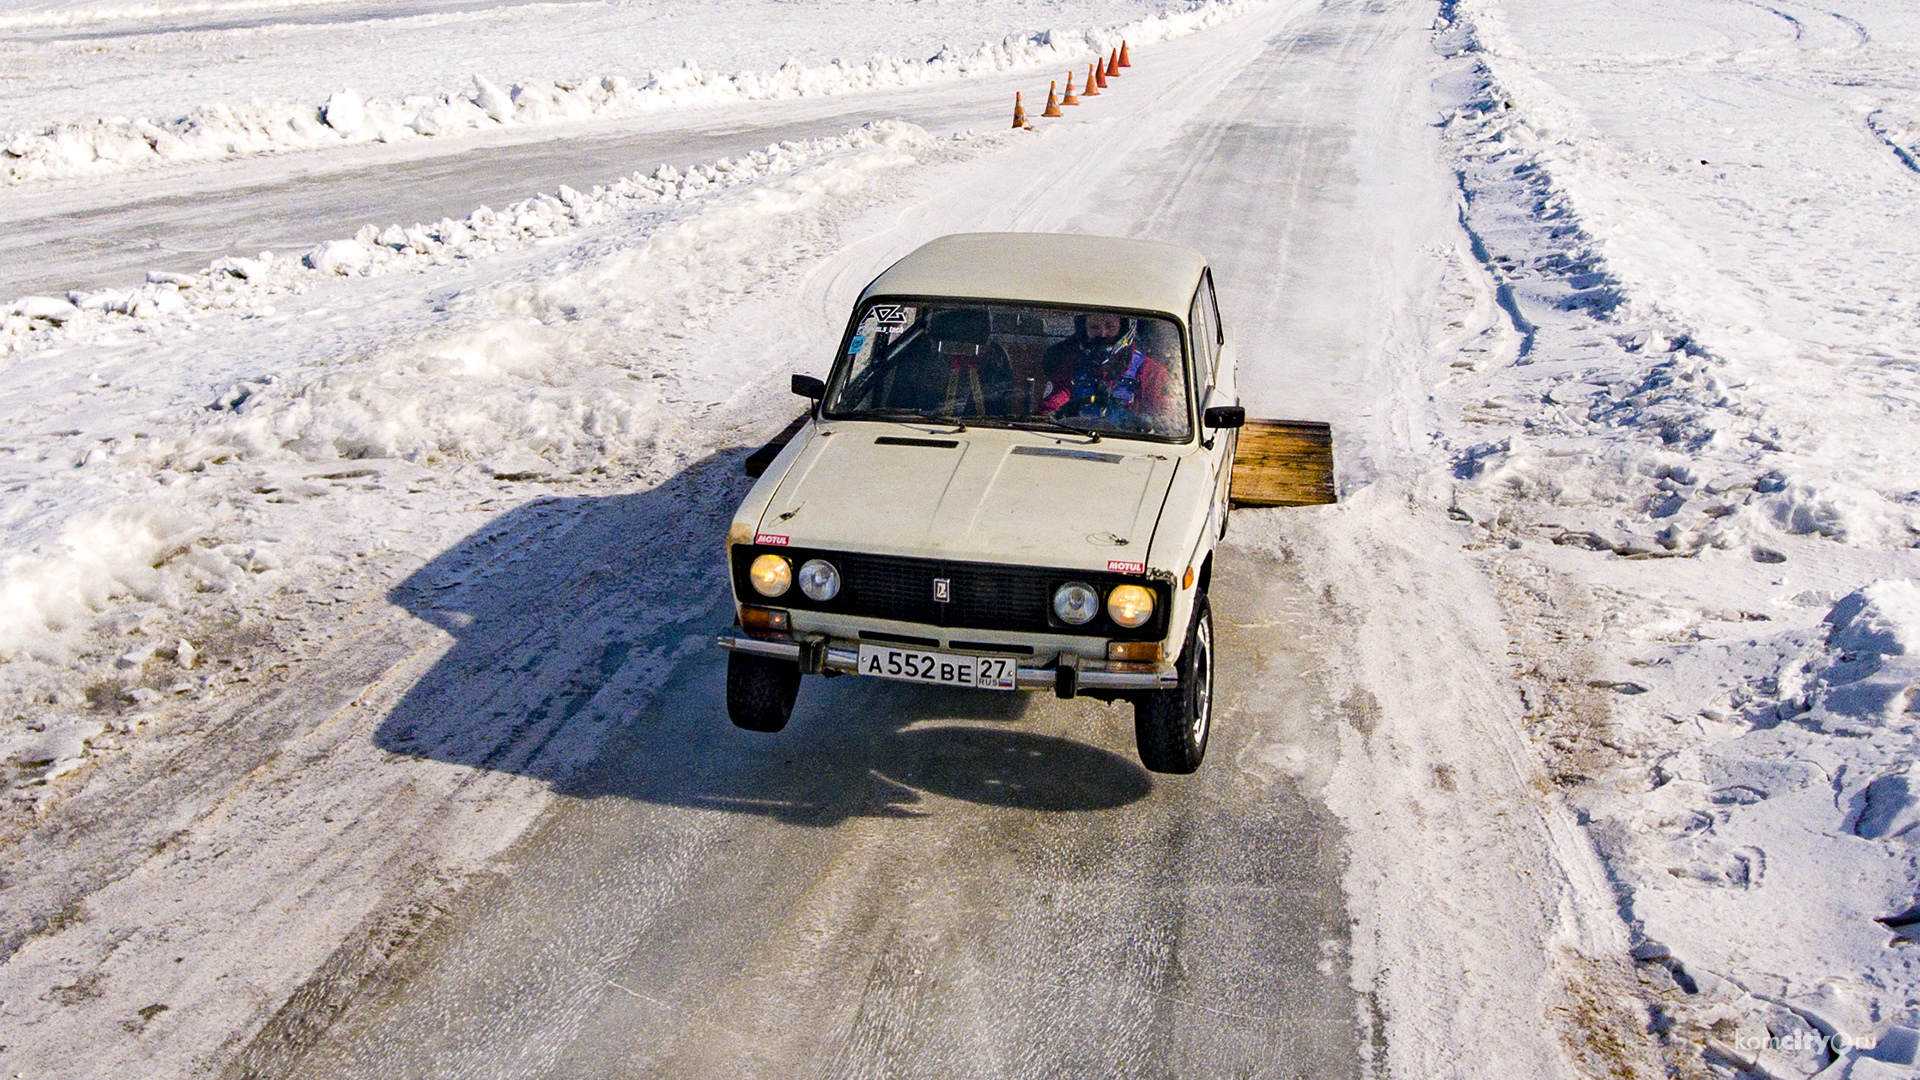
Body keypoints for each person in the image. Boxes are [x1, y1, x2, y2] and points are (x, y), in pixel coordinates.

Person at [1039, 312, 1180, 430]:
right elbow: (1050, 409)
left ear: (1124, 327)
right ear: (1084, 330)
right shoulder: (1072, 366)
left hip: (1131, 448)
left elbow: (1164, 423)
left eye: (1110, 327)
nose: (1103, 334)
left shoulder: (1151, 372)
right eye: (1094, 327)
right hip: (1080, 442)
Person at [874, 307, 1015, 418]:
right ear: (933, 342)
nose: (960, 351)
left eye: (973, 347)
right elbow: (898, 406)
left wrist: (968, 403)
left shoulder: (995, 358)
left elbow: (1003, 402)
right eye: (949, 345)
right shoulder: (920, 356)